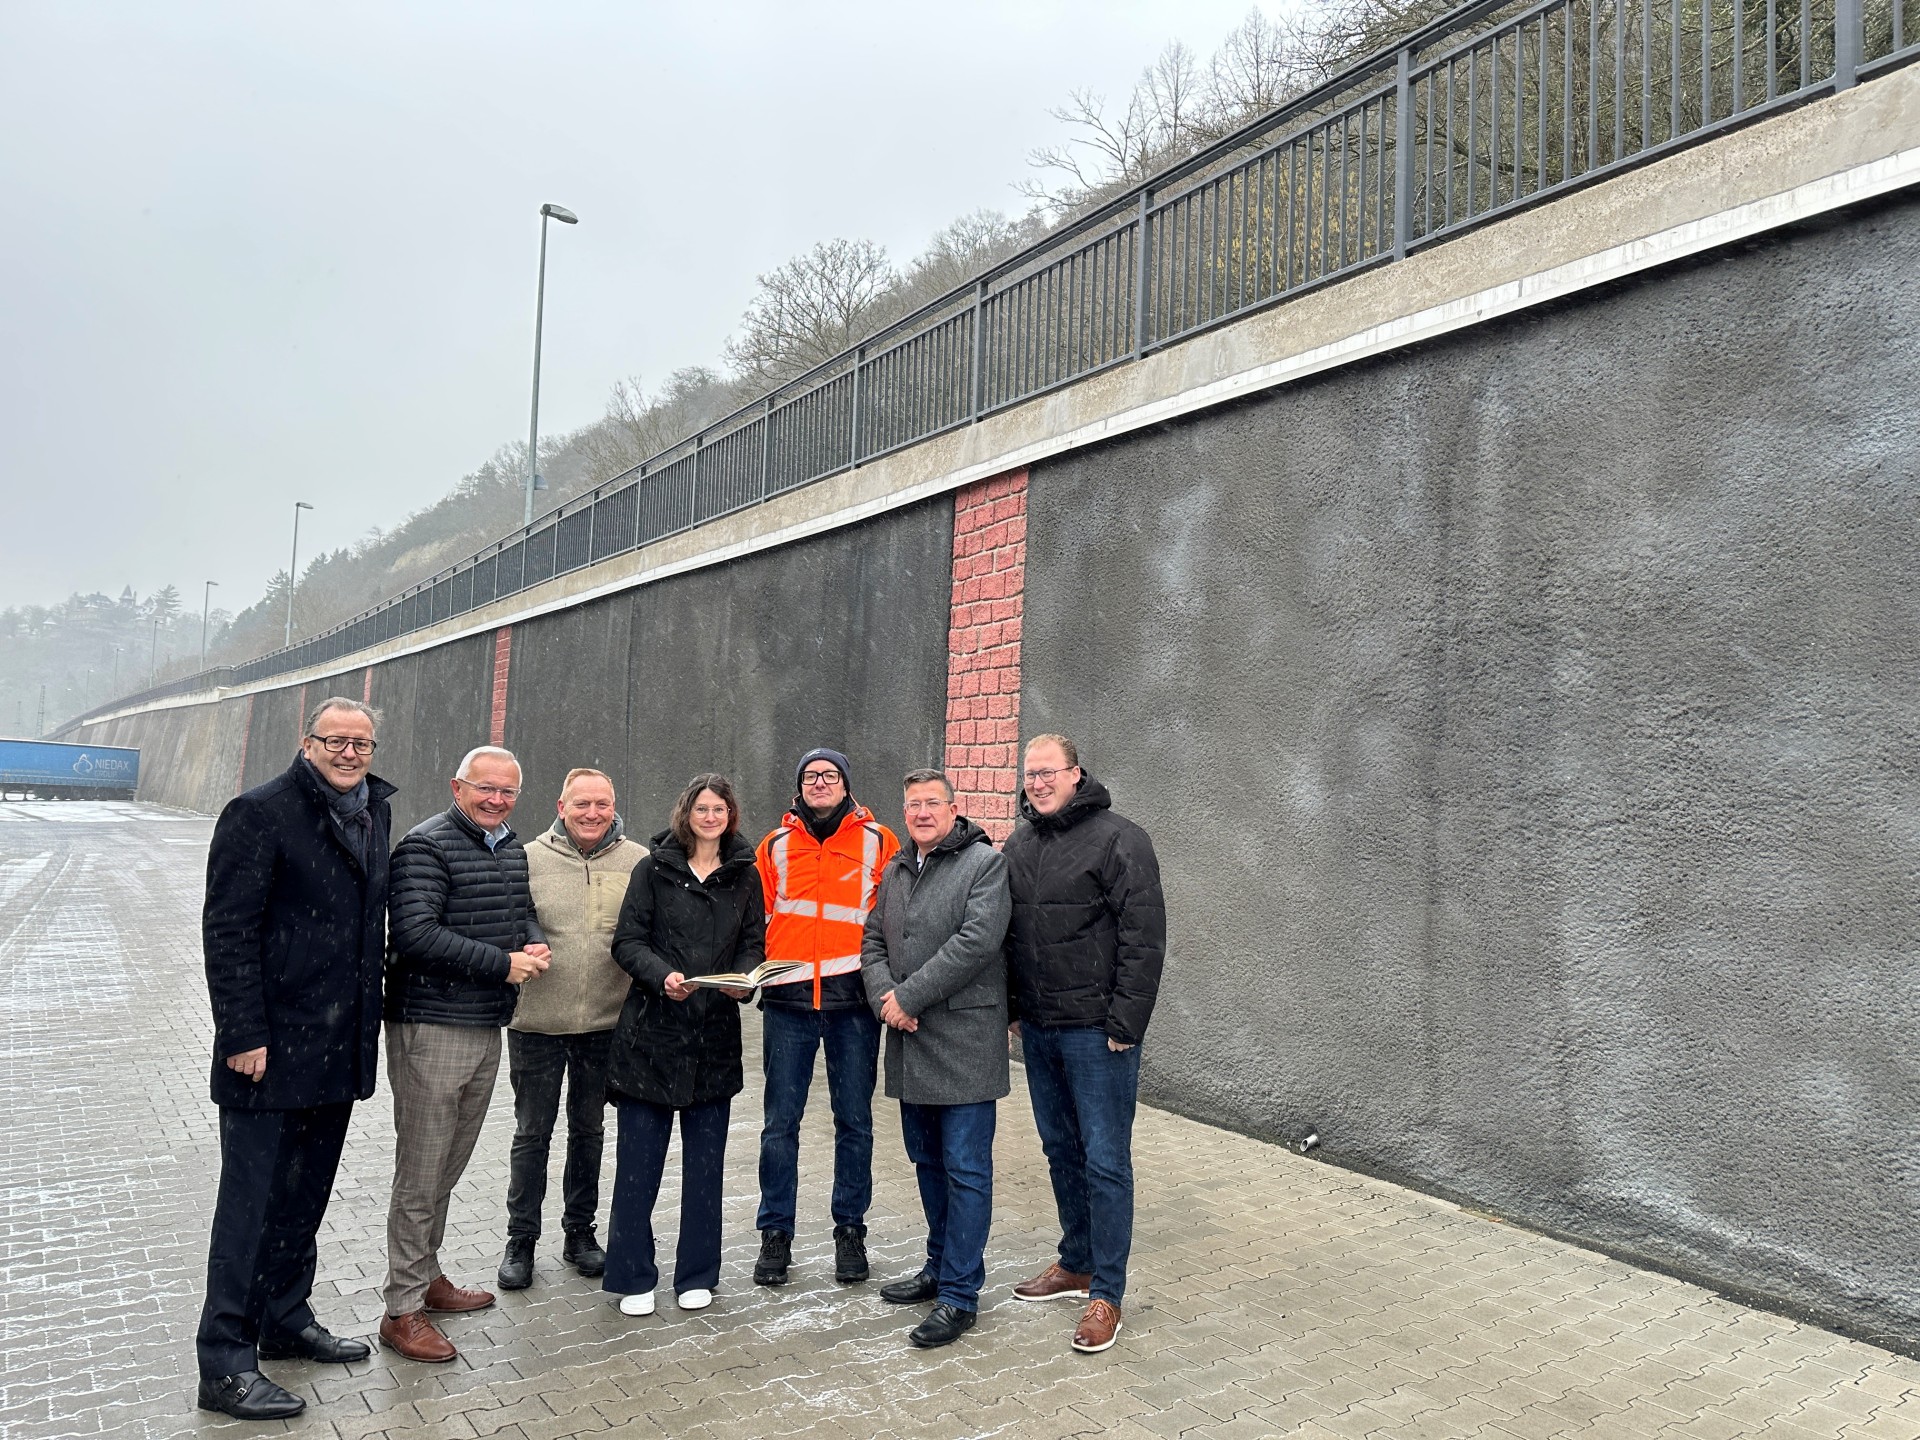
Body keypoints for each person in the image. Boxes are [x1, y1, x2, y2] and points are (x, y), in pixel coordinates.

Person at [195, 698, 395, 1420]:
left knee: (304, 1199)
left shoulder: (375, 810)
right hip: (269, 1053)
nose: (350, 753)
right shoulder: (259, 812)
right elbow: (228, 930)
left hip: (337, 1050)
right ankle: (224, 1364)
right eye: (335, 741)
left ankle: (285, 1319)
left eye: (362, 742)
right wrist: (242, 1033)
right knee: (251, 1210)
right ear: (305, 742)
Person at [379, 745, 549, 1363]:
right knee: (422, 1172)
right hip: (432, 1025)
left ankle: (426, 1278)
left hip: (484, 1025)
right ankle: (402, 1310)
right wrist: (504, 964)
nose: (496, 800)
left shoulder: (508, 846)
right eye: (486, 789)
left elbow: (519, 913)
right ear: (458, 787)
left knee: (448, 1165)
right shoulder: (425, 848)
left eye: (507, 791)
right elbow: (417, 936)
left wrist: (532, 940)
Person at [1003, 734, 1166, 1354]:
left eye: (1050, 772)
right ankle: (1075, 1261)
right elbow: (1012, 936)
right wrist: (1016, 1010)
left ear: (1076, 774)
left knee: (1105, 1160)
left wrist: (1126, 1023)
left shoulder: (1120, 838)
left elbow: (1144, 936)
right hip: (1041, 1031)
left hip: (1099, 1035)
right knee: (1059, 1149)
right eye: (1032, 775)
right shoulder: (1019, 844)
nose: (1039, 783)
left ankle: (1108, 1292)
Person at [860, 768, 1011, 1349]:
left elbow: (976, 942)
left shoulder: (984, 865)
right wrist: (884, 1000)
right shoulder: (898, 868)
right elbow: (872, 939)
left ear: (954, 809)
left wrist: (908, 996)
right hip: (910, 1036)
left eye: (932, 803)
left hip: (964, 1041)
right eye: (913, 805)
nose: (922, 813)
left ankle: (960, 1294)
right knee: (927, 1162)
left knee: (966, 1170)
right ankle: (938, 1267)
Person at [602, 774, 761, 1317]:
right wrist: (663, 975)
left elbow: (753, 944)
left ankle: (697, 1274)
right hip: (652, 1032)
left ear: (730, 815)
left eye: (719, 808)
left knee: (706, 1168)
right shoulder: (653, 868)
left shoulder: (745, 875)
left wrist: (743, 979)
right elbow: (627, 941)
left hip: (713, 1036)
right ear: (685, 813)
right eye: (701, 807)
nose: (711, 816)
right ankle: (632, 1275)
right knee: (637, 1167)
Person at [752, 747, 899, 1288]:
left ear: (845, 785)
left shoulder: (879, 840)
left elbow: (891, 917)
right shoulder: (775, 844)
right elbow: (759, 916)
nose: (820, 783)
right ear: (800, 786)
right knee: (779, 1125)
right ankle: (775, 1234)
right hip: (788, 1002)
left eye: (830, 775)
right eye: (811, 776)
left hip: (853, 1004)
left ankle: (850, 1230)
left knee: (854, 1122)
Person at [497, 767, 647, 1291]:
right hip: (537, 1022)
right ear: (561, 806)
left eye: (601, 804)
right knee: (532, 1134)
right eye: (581, 804)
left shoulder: (636, 861)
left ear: (613, 806)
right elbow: (508, 920)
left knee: (589, 1132)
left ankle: (579, 1233)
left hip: (605, 1024)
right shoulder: (526, 857)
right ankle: (521, 1241)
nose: (592, 814)